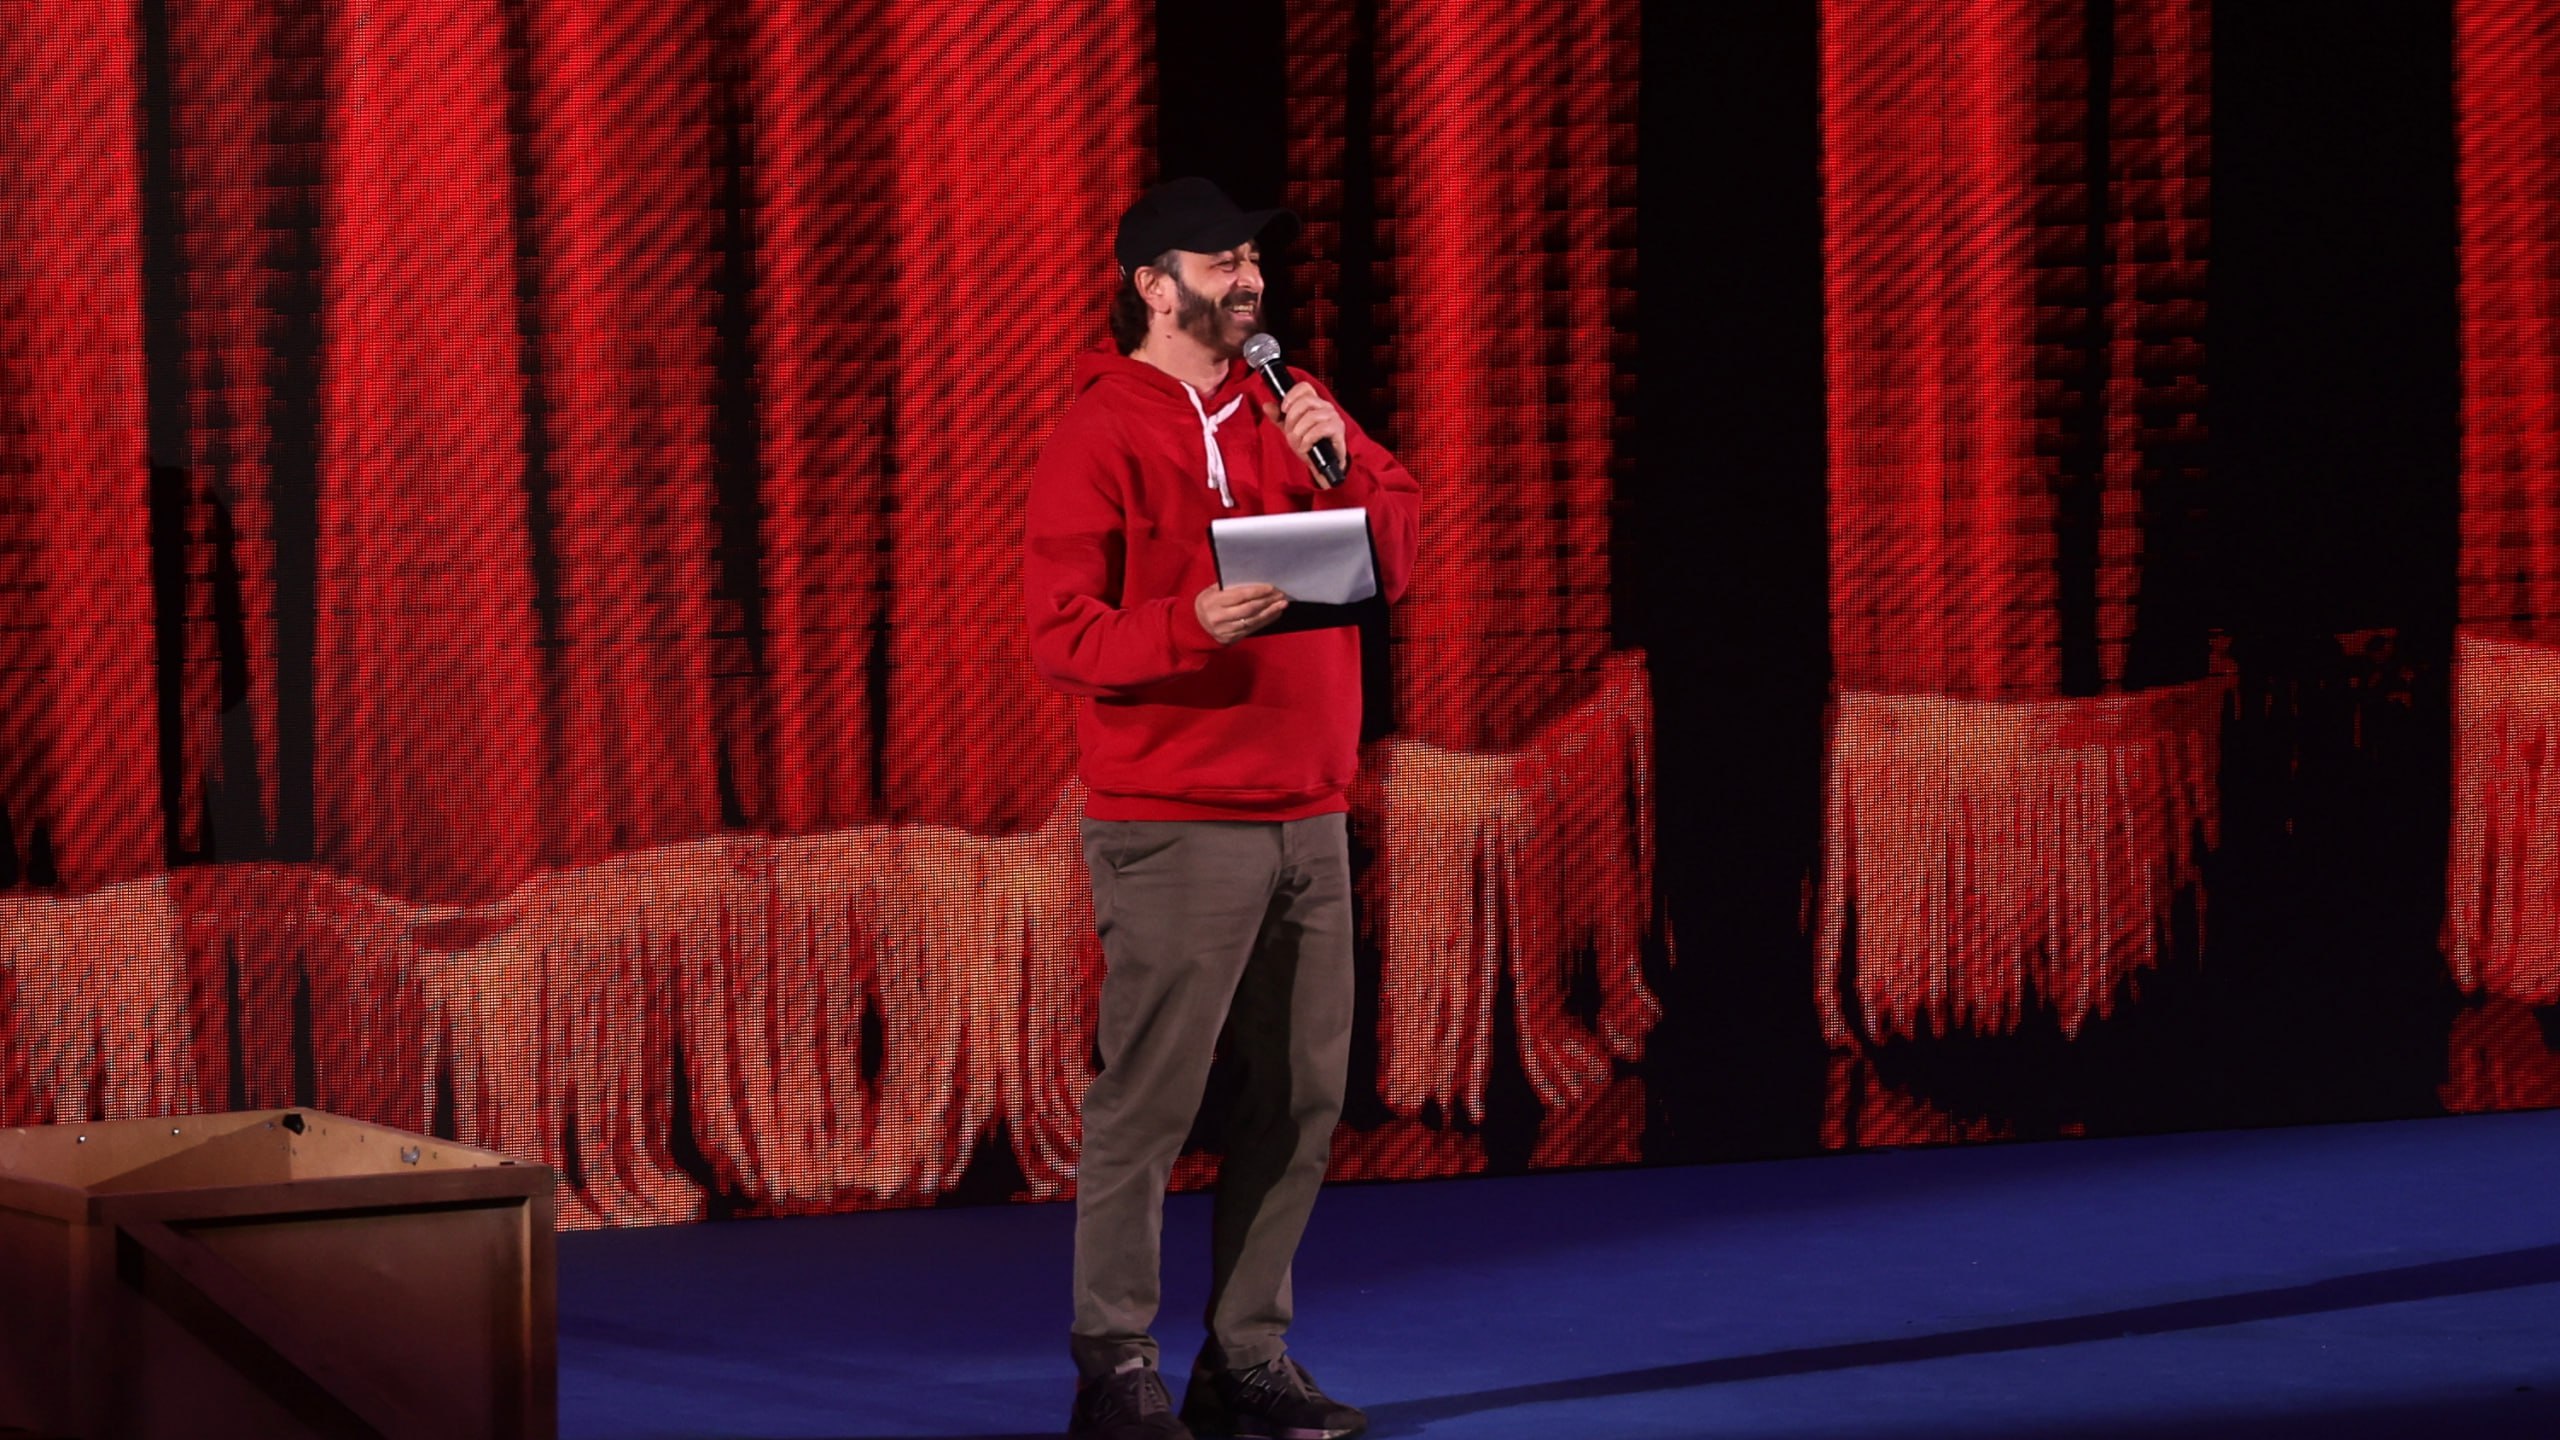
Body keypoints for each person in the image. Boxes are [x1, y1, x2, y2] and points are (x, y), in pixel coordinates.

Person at [1023, 176, 1422, 1440]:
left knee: (1299, 1100)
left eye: (1252, 257)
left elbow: (1398, 546)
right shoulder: (1099, 431)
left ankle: (1247, 1357)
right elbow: (1060, 634)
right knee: (1149, 1101)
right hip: (1174, 817)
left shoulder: (1291, 403)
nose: (1248, 279)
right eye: (1221, 261)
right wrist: (1186, 622)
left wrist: (1337, 456)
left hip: (1308, 808)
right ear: (1154, 286)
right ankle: (1116, 1366)